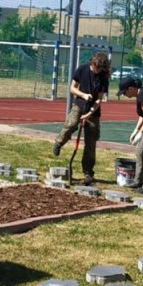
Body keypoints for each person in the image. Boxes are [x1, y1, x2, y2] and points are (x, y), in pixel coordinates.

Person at [52, 51, 110, 185]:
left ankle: (88, 173)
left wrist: (90, 113)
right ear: (92, 62)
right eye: (95, 67)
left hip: (93, 112)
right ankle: (59, 142)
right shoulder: (82, 70)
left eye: (99, 68)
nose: (96, 70)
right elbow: (72, 88)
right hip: (79, 104)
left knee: (91, 143)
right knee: (71, 124)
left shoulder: (103, 77)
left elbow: (99, 100)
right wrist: (83, 95)